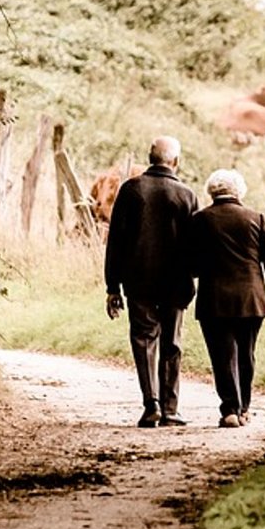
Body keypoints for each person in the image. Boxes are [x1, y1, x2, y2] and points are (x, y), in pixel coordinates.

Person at [104, 136, 199, 428]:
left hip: (138, 280)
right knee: (172, 343)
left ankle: (151, 404)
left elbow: (115, 242)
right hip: (176, 282)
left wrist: (112, 287)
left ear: (149, 157)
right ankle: (171, 409)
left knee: (144, 340)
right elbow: (195, 245)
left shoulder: (131, 190)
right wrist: (193, 277)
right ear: (176, 162)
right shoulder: (186, 195)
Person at [189, 169, 265, 428]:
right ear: (239, 191)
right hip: (252, 298)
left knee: (222, 356)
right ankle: (244, 409)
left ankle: (229, 409)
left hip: (214, 299)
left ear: (212, 191)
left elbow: (192, 264)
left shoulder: (200, 220)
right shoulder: (257, 219)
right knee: (247, 354)